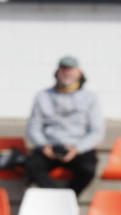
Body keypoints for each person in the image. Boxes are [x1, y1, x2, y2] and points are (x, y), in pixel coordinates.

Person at [25, 55, 104, 196]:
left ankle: (69, 198)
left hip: (77, 148)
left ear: (79, 73)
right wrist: (44, 146)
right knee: (32, 165)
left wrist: (77, 149)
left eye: (71, 69)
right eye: (63, 69)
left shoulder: (90, 97)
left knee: (88, 169)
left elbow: (97, 131)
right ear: (57, 72)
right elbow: (33, 127)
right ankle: (58, 198)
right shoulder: (42, 96)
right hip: (49, 147)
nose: (67, 72)